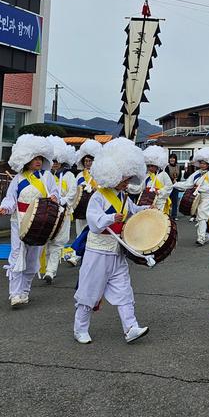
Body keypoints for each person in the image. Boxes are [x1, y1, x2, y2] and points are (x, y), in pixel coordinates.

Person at [73, 138, 151, 345]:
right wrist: (110, 218)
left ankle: (131, 327)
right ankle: (80, 328)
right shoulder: (98, 196)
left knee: (124, 290)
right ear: (113, 174)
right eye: (124, 177)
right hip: (97, 251)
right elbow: (93, 222)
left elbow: (134, 212)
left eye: (128, 176)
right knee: (90, 291)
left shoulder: (124, 197)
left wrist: (147, 211)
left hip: (117, 250)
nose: (127, 181)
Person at [0, 134, 60, 308]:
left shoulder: (47, 177)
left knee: (33, 259)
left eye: (40, 158)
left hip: (40, 222)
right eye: (34, 158)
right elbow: (11, 199)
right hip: (19, 221)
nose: (38, 161)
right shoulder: (17, 179)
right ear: (26, 159)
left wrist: (55, 198)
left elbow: (55, 193)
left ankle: (24, 291)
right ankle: (14, 294)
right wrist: (5, 208)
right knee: (17, 256)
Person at [42, 141, 79, 282]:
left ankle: (51, 271)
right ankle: (46, 268)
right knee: (46, 241)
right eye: (53, 161)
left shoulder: (69, 175)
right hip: (47, 212)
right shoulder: (45, 175)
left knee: (57, 243)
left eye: (57, 161)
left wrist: (62, 201)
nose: (55, 163)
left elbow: (73, 192)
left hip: (63, 212)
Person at [173, 148, 209, 245]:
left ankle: (201, 238)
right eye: (201, 162)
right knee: (200, 217)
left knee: (202, 217)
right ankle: (206, 235)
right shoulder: (196, 173)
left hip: (207, 198)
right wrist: (175, 185)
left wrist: (198, 188)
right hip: (196, 198)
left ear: (208, 164)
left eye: (204, 163)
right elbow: (187, 184)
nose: (202, 164)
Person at [74, 139, 104, 237]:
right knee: (80, 233)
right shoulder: (79, 175)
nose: (87, 163)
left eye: (90, 161)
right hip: (81, 208)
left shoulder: (100, 174)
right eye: (85, 161)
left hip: (95, 208)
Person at [142, 145, 174, 214]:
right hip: (148, 203)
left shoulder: (163, 174)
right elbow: (141, 187)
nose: (150, 168)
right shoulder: (146, 176)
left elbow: (169, 187)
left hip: (160, 203)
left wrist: (159, 191)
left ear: (157, 165)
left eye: (152, 166)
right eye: (148, 166)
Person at [165, 153, 182, 220]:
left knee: (175, 201)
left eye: (173, 158)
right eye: (171, 158)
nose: (172, 159)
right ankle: (167, 214)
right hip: (168, 186)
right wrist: (172, 180)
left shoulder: (178, 166)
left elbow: (180, 175)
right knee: (167, 200)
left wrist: (177, 181)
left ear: (175, 159)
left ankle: (174, 215)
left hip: (176, 186)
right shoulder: (167, 167)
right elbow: (166, 176)